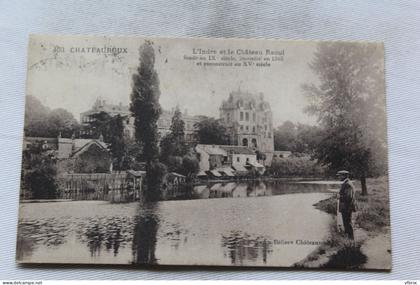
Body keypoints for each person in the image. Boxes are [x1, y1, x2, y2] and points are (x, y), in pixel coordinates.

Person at [337, 170, 357, 240]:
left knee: (347, 223)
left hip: (347, 207)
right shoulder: (347, 183)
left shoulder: (347, 184)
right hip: (346, 207)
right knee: (346, 223)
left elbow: (349, 197)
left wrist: (340, 196)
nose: (339, 177)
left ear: (345, 176)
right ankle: (349, 239)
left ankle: (351, 239)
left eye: (340, 176)